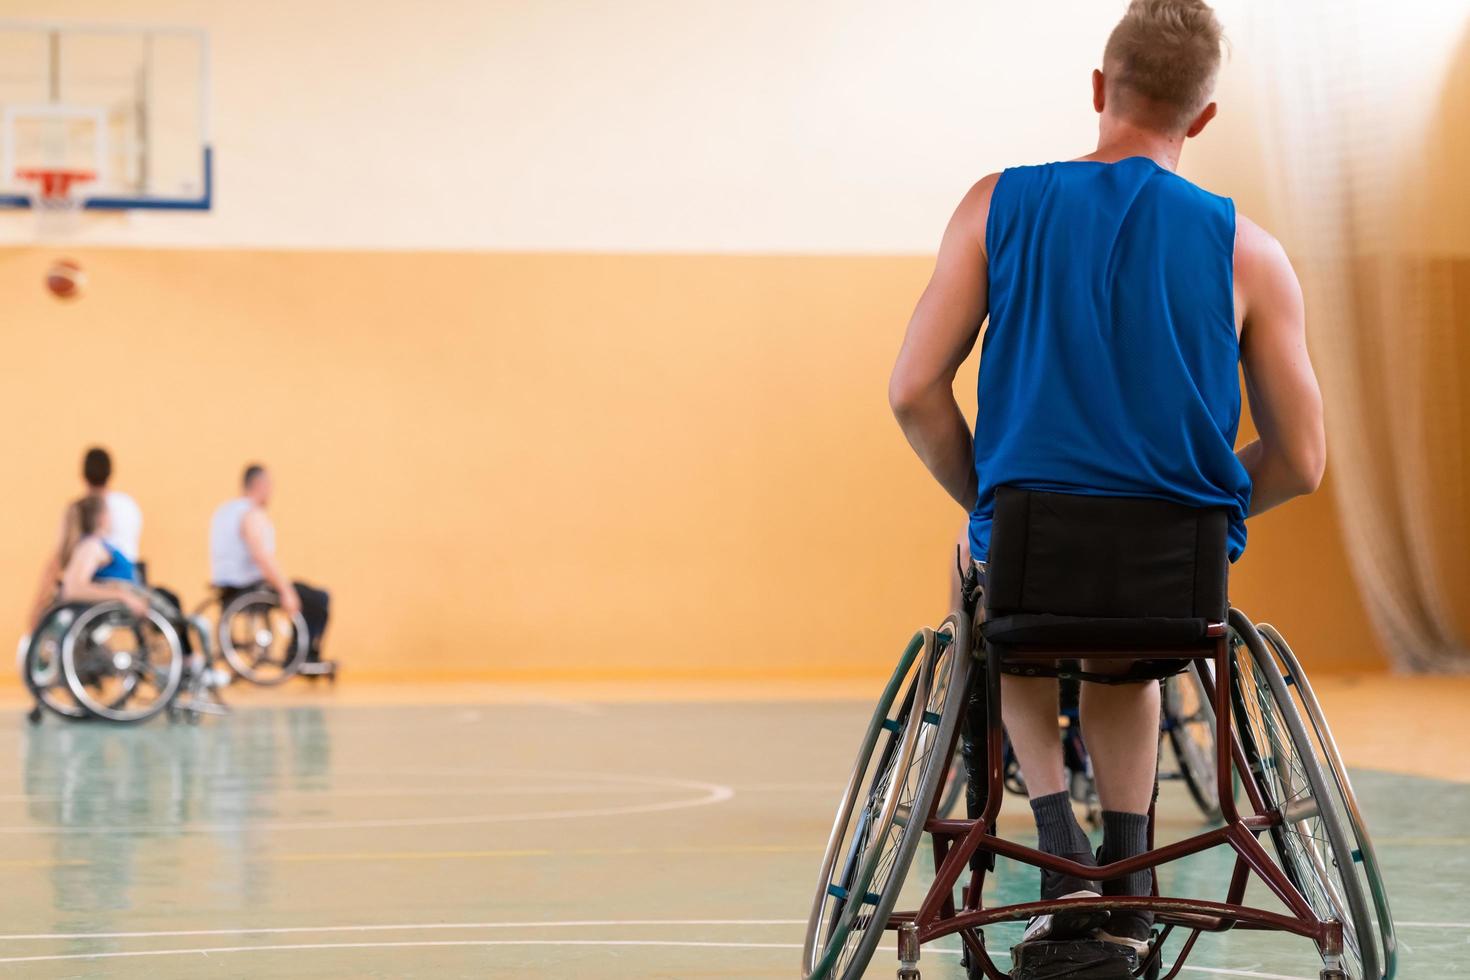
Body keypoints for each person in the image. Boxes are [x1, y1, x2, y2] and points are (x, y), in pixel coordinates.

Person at [888, 0, 1325, 957]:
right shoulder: (1251, 251)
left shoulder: (997, 204)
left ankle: (1056, 840)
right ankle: (1128, 867)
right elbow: (1302, 458)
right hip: (1174, 569)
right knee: (1128, 650)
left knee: (1004, 603)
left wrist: (988, 503)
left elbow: (915, 389)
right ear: (1202, 118)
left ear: (1099, 88)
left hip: (1034, 548)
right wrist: (1199, 512)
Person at [208, 464, 331, 663]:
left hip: (226, 585)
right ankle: (301, 654)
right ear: (260, 485)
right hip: (248, 585)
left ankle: (300, 652)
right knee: (318, 599)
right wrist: (285, 591)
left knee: (306, 593)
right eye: (270, 485)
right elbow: (262, 556)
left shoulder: (225, 511)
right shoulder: (250, 514)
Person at [29, 447, 144, 628]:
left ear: (83, 474)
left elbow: (58, 560)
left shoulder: (79, 518)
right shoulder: (128, 506)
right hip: (128, 579)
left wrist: (36, 607)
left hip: (102, 584)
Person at [58, 496, 150, 618]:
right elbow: (73, 589)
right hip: (123, 605)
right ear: (102, 517)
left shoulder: (97, 544)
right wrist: (122, 596)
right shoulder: (91, 546)